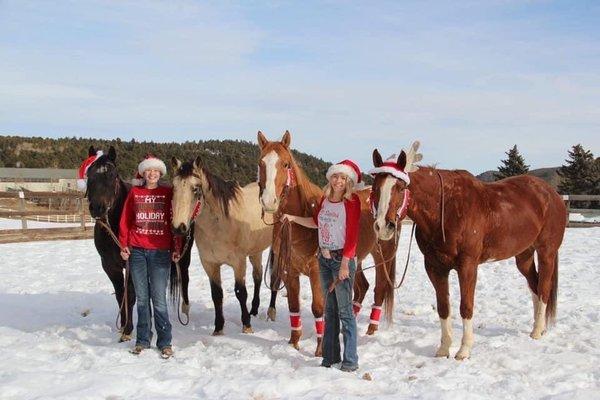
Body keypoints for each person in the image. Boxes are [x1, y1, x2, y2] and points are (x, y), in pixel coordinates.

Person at [282, 159, 361, 372]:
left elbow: (352, 236)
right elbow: (316, 223)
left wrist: (345, 263)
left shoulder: (352, 202)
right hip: (324, 260)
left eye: (343, 178)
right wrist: (293, 218)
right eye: (335, 176)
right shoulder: (324, 201)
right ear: (330, 178)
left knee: (345, 312)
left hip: (340, 261)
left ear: (348, 181)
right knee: (330, 310)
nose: (338, 181)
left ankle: (350, 360)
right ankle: (330, 357)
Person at [119, 154, 181, 359]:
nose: (152, 174)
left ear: (160, 173)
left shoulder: (168, 193)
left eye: (155, 171)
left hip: (160, 251)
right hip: (137, 251)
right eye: (148, 170)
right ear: (143, 173)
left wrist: (176, 247)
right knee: (143, 299)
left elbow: (176, 219)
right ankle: (143, 340)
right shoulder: (135, 193)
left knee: (159, 299)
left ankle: (165, 341)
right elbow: (126, 220)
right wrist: (123, 244)